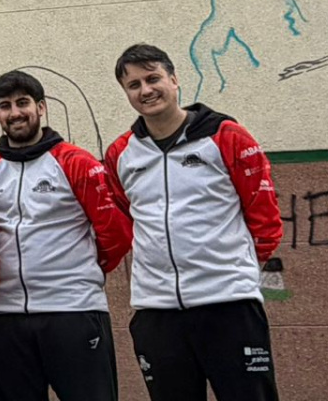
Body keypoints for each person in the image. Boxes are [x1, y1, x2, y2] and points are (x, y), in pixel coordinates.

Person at [104, 44, 283, 401]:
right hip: (157, 312)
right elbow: (123, 220)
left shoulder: (226, 136)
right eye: (134, 85)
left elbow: (265, 219)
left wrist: (234, 271)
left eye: (153, 78)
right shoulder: (121, 153)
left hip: (228, 306)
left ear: (174, 79)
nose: (146, 90)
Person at [0, 70, 131, 401]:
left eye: (23, 103)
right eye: (5, 106)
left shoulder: (77, 162)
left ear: (41, 108)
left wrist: (80, 274)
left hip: (72, 311)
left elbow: (116, 233)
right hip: (3, 316)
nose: (15, 113)